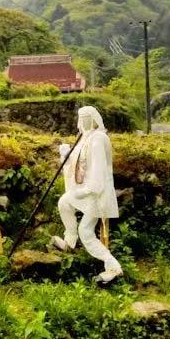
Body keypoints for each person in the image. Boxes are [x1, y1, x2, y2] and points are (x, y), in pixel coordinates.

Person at [49, 106, 122, 284]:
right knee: (66, 206)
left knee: (83, 226)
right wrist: (66, 154)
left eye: (86, 118)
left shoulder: (98, 138)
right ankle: (70, 242)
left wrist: (89, 190)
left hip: (96, 193)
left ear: (94, 119)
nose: (83, 122)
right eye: (81, 118)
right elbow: (75, 165)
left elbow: (98, 169)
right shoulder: (85, 138)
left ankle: (113, 266)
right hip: (86, 190)